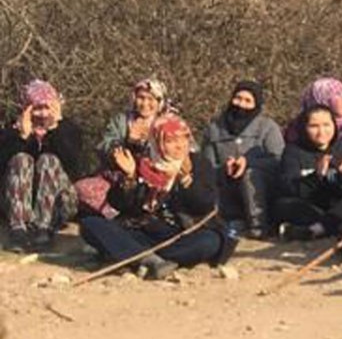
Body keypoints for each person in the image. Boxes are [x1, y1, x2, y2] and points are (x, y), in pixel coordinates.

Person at [78, 113, 224, 278]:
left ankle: (130, 256)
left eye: (184, 139)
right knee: (91, 224)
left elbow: (204, 204)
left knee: (210, 241)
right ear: (157, 141)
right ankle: (149, 260)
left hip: (179, 234)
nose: (180, 146)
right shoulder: (141, 162)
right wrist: (130, 177)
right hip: (142, 231)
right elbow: (119, 204)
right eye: (171, 141)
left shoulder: (198, 163)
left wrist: (186, 179)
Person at [2, 79, 84, 251]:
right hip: (19, 203)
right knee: (21, 159)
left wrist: (55, 129)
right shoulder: (11, 131)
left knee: (49, 159)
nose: (42, 114)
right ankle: (19, 229)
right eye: (37, 108)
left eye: (46, 108)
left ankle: (43, 228)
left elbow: (73, 166)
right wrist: (22, 137)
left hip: (58, 203)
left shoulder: (69, 129)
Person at [199, 80, 282, 239]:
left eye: (247, 101)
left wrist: (249, 163)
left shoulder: (268, 127)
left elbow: (278, 158)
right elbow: (206, 164)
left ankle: (258, 226)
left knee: (250, 175)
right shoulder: (214, 128)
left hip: (261, 188)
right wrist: (224, 168)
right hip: (226, 187)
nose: (241, 105)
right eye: (238, 98)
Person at [273, 103, 342, 239]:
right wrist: (316, 176)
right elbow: (289, 188)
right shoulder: (293, 151)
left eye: (326, 125)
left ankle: (315, 230)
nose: (321, 132)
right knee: (283, 205)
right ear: (304, 127)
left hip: (337, 204)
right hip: (310, 204)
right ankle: (331, 226)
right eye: (314, 126)